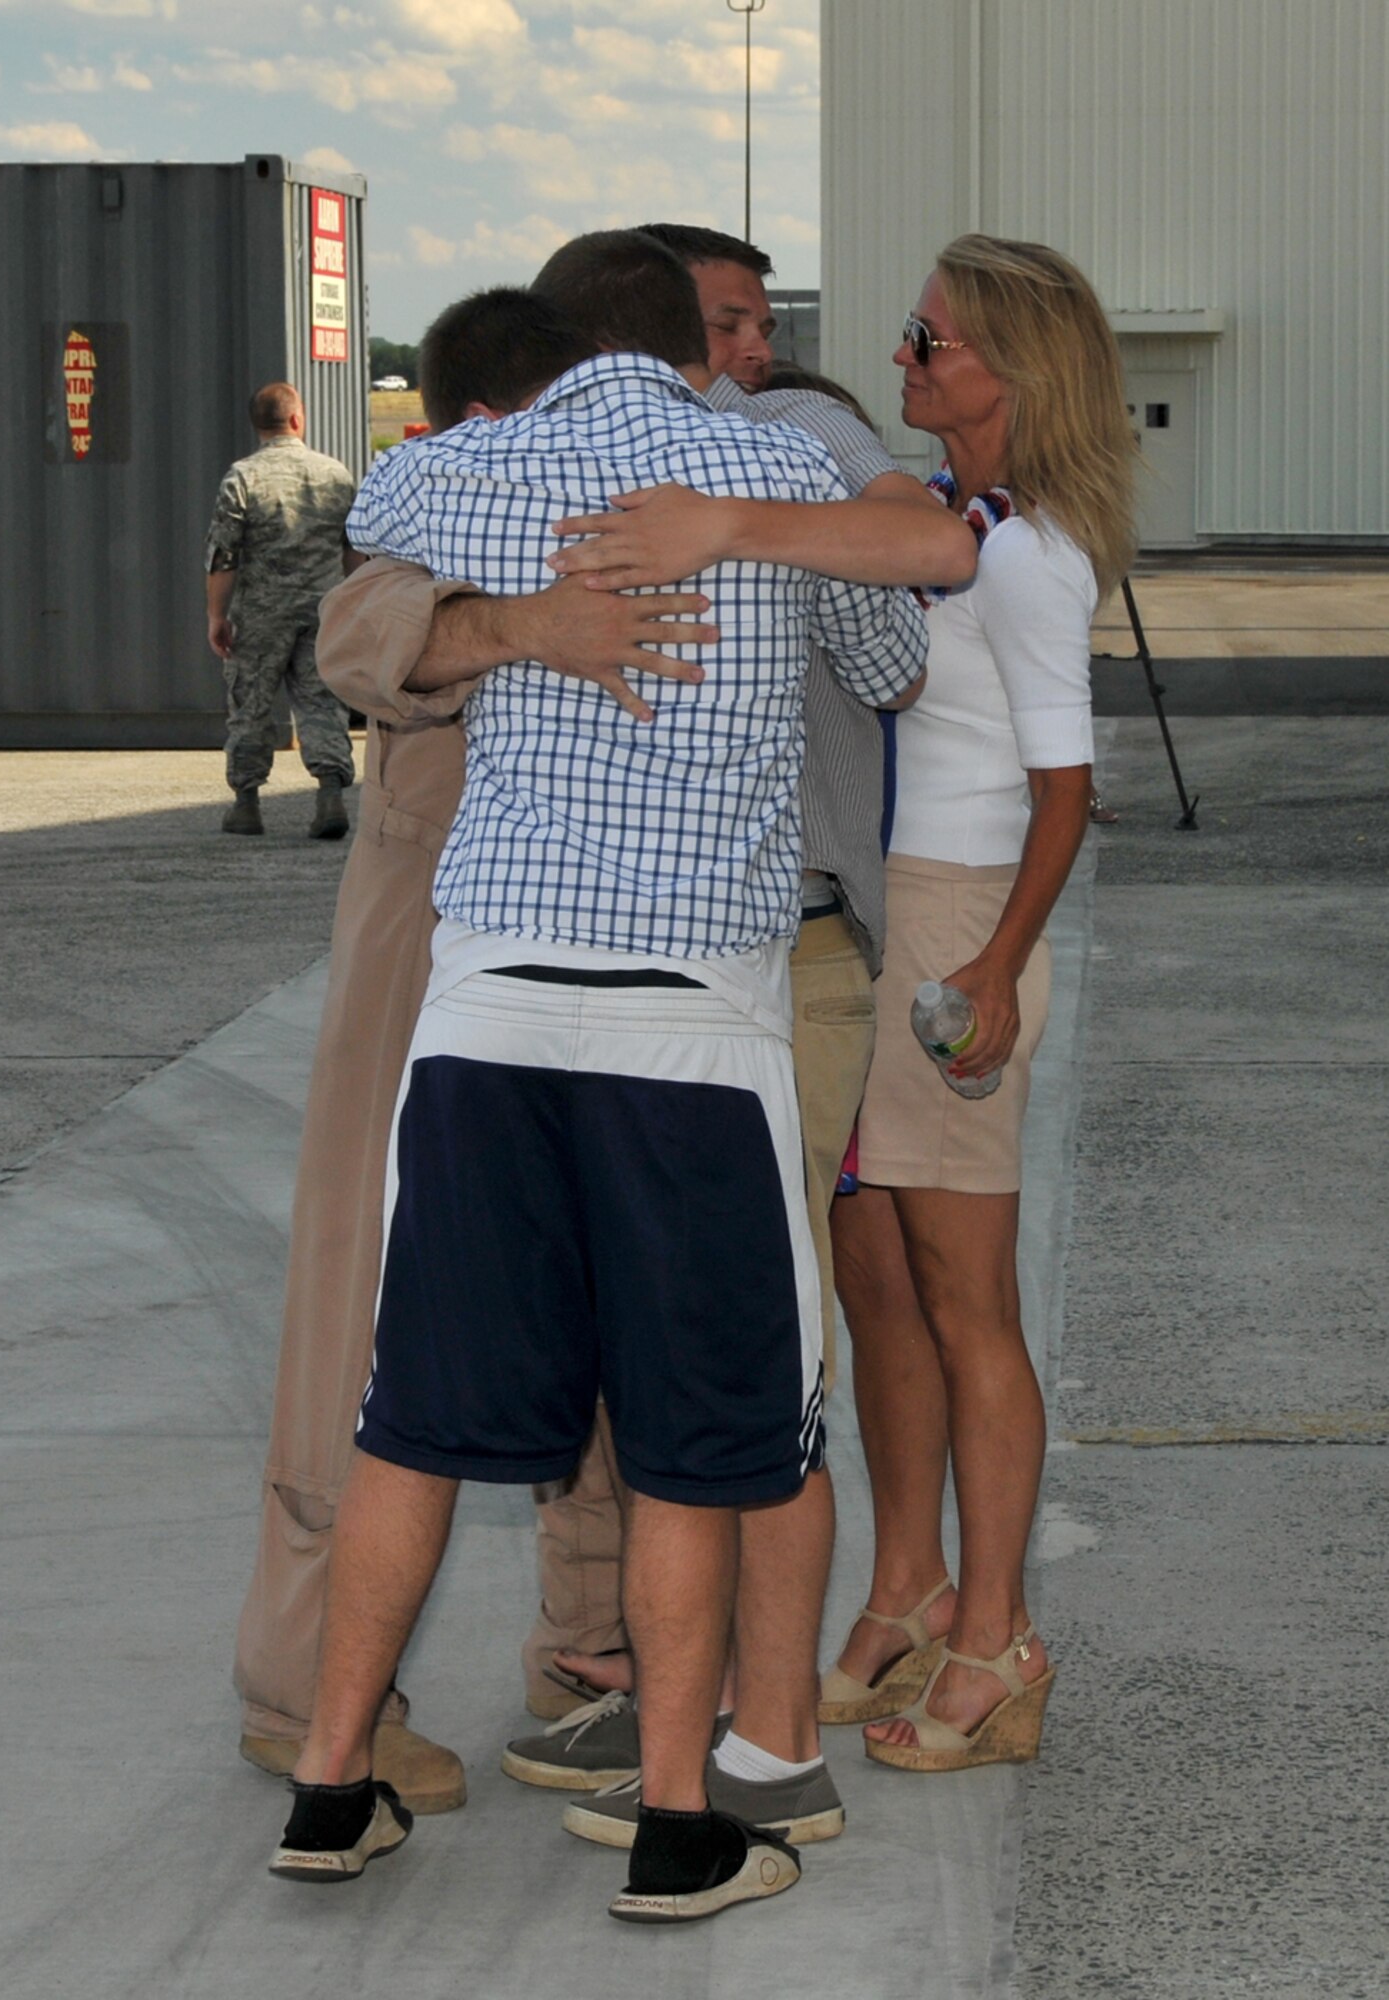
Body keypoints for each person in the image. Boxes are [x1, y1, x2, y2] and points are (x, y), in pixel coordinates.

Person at [266, 234, 929, 1924]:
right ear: (712, 351)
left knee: (413, 1416)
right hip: (687, 1031)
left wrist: (520, 618)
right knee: (704, 1433)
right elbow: (888, 662)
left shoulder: (473, 467)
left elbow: (368, 553)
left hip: (483, 1015)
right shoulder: (774, 465)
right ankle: (680, 1826)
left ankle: (330, 1786)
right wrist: (744, 556)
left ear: (557, 348)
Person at [233, 296, 718, 1806]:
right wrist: (528, 630)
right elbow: (360, 636)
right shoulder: (455, 497)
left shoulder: (637, 505)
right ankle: (312, 1691)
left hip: (578, 983)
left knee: (597, 1307)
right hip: (425, 975)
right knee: (366, 1319)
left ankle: (591, 1653)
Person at [520, 224, 974, 1743]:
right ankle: (663, 1670)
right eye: (720, 325)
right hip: (613, 960)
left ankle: (745, 1719)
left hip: (787, 955)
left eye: (757, 320)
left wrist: (727, 522)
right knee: (630, 1327)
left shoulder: (796, 439)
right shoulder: (561, 457)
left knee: (750, 1345)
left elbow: (915, 590)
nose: (749, 350)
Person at [819, 235, 1137, 1772]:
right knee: (900, 1281)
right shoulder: (971, 522)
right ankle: (927, 1599)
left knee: (969, 1307)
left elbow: (1069, 792)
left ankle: (996, 1640)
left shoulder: (1024, 551)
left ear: (1011, 366)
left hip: (959, 918)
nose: (905, 360)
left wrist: (993, 968)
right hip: (927, 909)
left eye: (929, 341)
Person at [204, 383, 356, 839]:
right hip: (325, 608)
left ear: (258, 425)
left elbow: (223, 554)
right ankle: (329, 795)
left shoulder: (242, 477)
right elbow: (354, 548)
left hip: (261, 612)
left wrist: (217, 615)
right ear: (297, 419)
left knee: (250, 704)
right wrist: (349, 601)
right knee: (322, 699)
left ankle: (247, 804)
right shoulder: (335, 475)